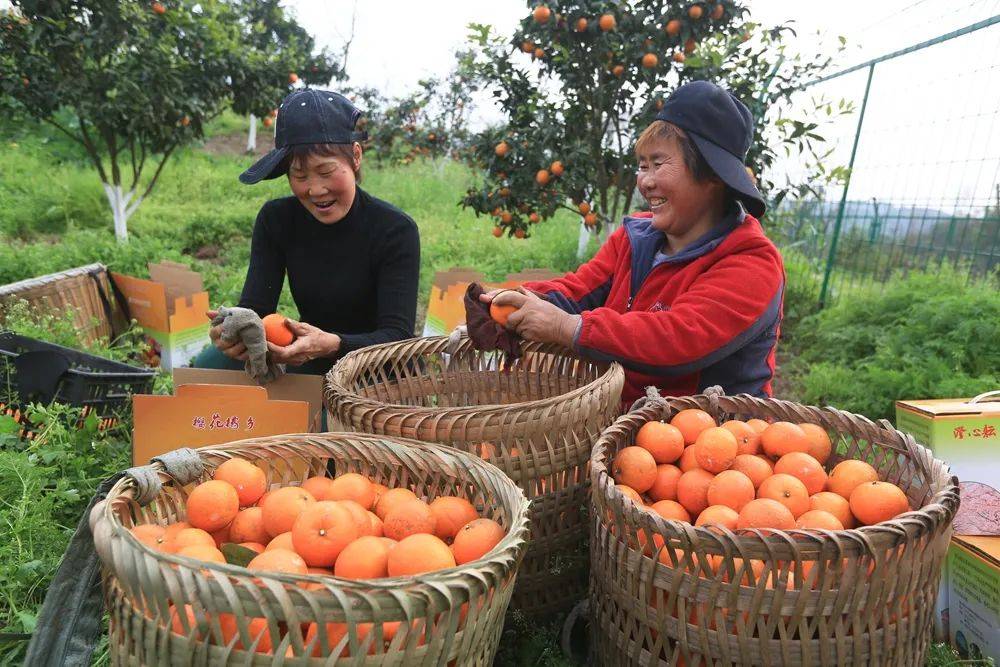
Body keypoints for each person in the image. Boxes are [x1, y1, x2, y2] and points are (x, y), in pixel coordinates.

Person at [483, 81, 784, 405]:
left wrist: (567, 327)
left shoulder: (752, 263)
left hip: (708, 432)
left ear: (712, 175)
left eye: (658, 164)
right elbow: (579, 291)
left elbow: (678, 338)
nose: (645, 181)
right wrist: (514, 301)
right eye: (642, 166)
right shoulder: (635, 237)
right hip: (620, 421)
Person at [195, 88, 420, 376]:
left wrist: (334, 344)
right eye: (299, 176)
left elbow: (398, 337)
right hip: (311, 361)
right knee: (210, 364)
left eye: (326, 172)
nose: (315, 190)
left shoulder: (394, 230)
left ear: (355, 156)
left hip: (380, 373)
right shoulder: (277, 220)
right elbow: (256, 309)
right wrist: (237, 328)